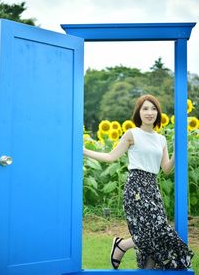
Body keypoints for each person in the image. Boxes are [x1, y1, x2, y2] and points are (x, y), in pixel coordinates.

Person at [83, 94, 194, 270]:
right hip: (136, 186)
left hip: (153, 187)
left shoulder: (161, 139)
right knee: (151, 232)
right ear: (138, 112)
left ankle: (141, 265)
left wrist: (177, 152)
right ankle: (122, 245)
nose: (149, 112)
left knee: (157, 234)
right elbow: (111, 156)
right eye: (145, 109)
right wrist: (84, 151)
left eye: (153, 109)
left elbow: (165, 168)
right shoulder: (132, 134)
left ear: (158, 113)